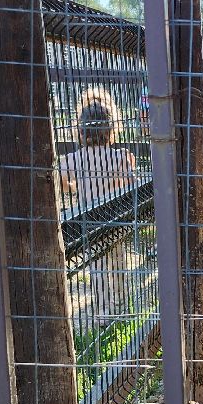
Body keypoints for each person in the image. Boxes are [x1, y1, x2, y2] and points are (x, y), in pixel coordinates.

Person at [58, 88, 139, 321]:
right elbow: (130, 184)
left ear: (81, 131)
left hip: (90, 225)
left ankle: (104, 311)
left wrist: (75, 187)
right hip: (116, 221)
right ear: (111, 130)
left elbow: (62, 182)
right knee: (119, 261)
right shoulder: (120, 156)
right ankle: (123, 305)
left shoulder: (73, 159)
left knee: (98, 268)